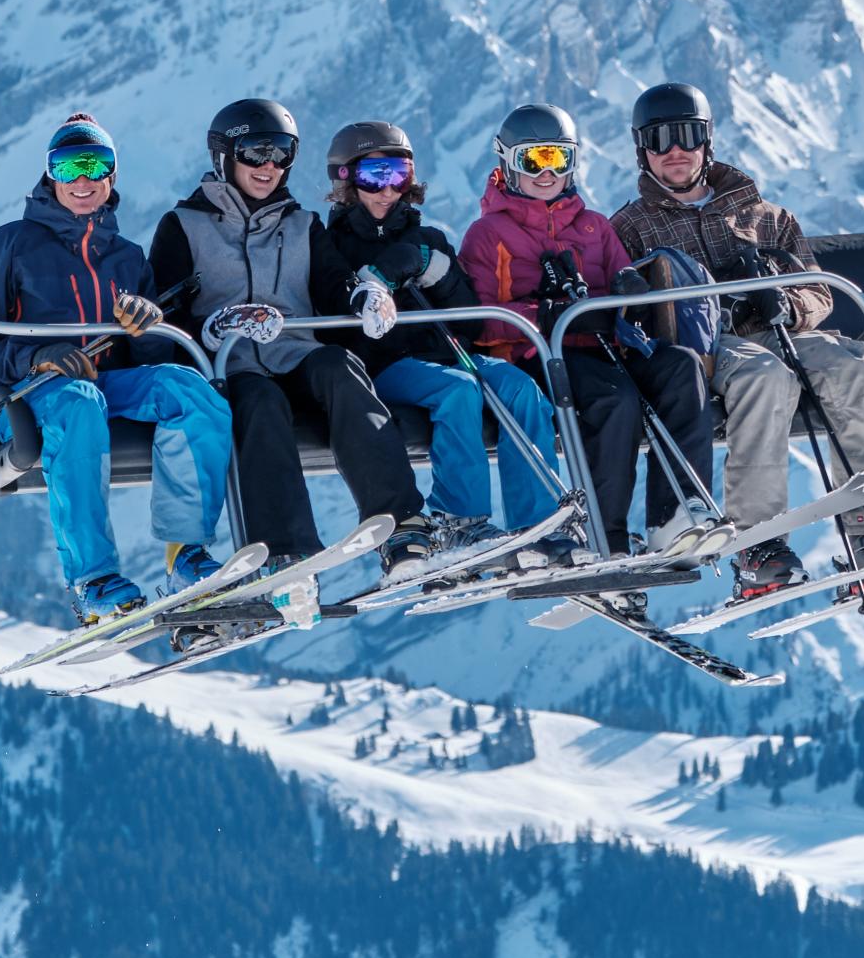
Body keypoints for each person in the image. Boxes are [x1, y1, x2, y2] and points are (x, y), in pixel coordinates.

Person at [608, 81, 864, 601]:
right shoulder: (630, 228)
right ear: (642, 150)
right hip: (708, 346)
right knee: (765, 380)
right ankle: (757, 544)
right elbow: (626, 308)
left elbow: (818, 289)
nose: (674, 151)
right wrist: (682, 305)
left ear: (707, 142)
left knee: (856, 371)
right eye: (659, 140)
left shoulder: (763, 215)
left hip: (782, 331)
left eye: (686, 136)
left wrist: (786, 303)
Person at [0, 114, 235, 624]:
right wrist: (34, 357)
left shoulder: (125, 258)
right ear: (50, 176)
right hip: (22, 396)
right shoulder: (12, 245)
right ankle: (92, 579)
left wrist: (146, 331)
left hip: (101, 386)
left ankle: (186, 556)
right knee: (78, 402)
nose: (82, 179)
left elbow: (145, 361)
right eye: (67, 165)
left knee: (189, 389)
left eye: (94, 164)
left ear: (112, 176)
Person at [146, 98, 438, 578]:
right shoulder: (184, 227)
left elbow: (332, 282)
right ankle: (288, 552)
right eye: (255, 153)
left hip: (294, 350)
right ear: (224, 155)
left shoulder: (301, 224)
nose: (269, 166)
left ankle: (402, 522)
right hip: (230, 365)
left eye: (282, 153)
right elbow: (165, 309)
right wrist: (215, 329)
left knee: (341, 368)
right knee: (259, 404)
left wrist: (363, 296)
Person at [457, 102, 713, 595]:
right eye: (534, 161)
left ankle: (674, 514)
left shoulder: (594, 226)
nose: (548, 172)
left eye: (558, 157)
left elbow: (622, 288)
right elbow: (483, 320)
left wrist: (630, 298)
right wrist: (545, 315)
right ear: (509, 162)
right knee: (613, 399)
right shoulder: (489, 235)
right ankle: (606, 536)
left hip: (605, 344)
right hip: (537, 356)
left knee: (679, 368)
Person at [313, 120, 564, 553]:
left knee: (521, 389)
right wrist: (374, 285)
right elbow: (331, 308)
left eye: (399, 175)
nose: (388, 190)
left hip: (448, 352)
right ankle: (459, 520)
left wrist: (433, 269)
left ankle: (536, 524)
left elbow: (469, 323)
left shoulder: (428, 239)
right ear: (345, 180)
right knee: (458, 392)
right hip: (385, 366)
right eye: (374, 176)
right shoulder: (330, 245)